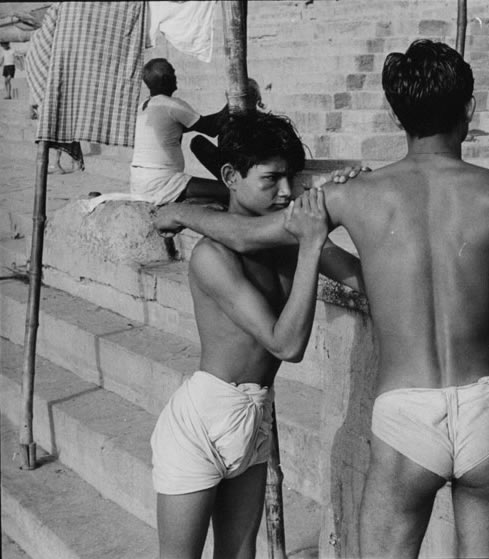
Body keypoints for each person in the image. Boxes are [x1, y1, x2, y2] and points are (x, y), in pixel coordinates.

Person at [153, 39, 489, 558]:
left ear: (397, 116)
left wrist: (182, 213)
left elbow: (245, 236)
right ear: (468, 107)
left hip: (407, 415)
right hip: (486, 406)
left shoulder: (353, 194)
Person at [150, 111, 364, 559]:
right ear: (230, 176)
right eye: (271, 180)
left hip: (255, 417)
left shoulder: (291, 235)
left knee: (240, 552)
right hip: (203, 422)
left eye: (291, 179)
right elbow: (286, 344)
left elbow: (364, 279)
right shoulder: (212, 257)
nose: (285, 192)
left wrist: (354, 196)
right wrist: (310, 244)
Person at [131, 58, 230, 205]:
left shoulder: (144, 107)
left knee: (197, 142)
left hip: (139, 183)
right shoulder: (173, 105)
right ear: (166, 79)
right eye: (173, 73)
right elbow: (211, 128)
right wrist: (233, 99)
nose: (176, 76)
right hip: (163, 181)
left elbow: (195, 126)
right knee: (230, 192)